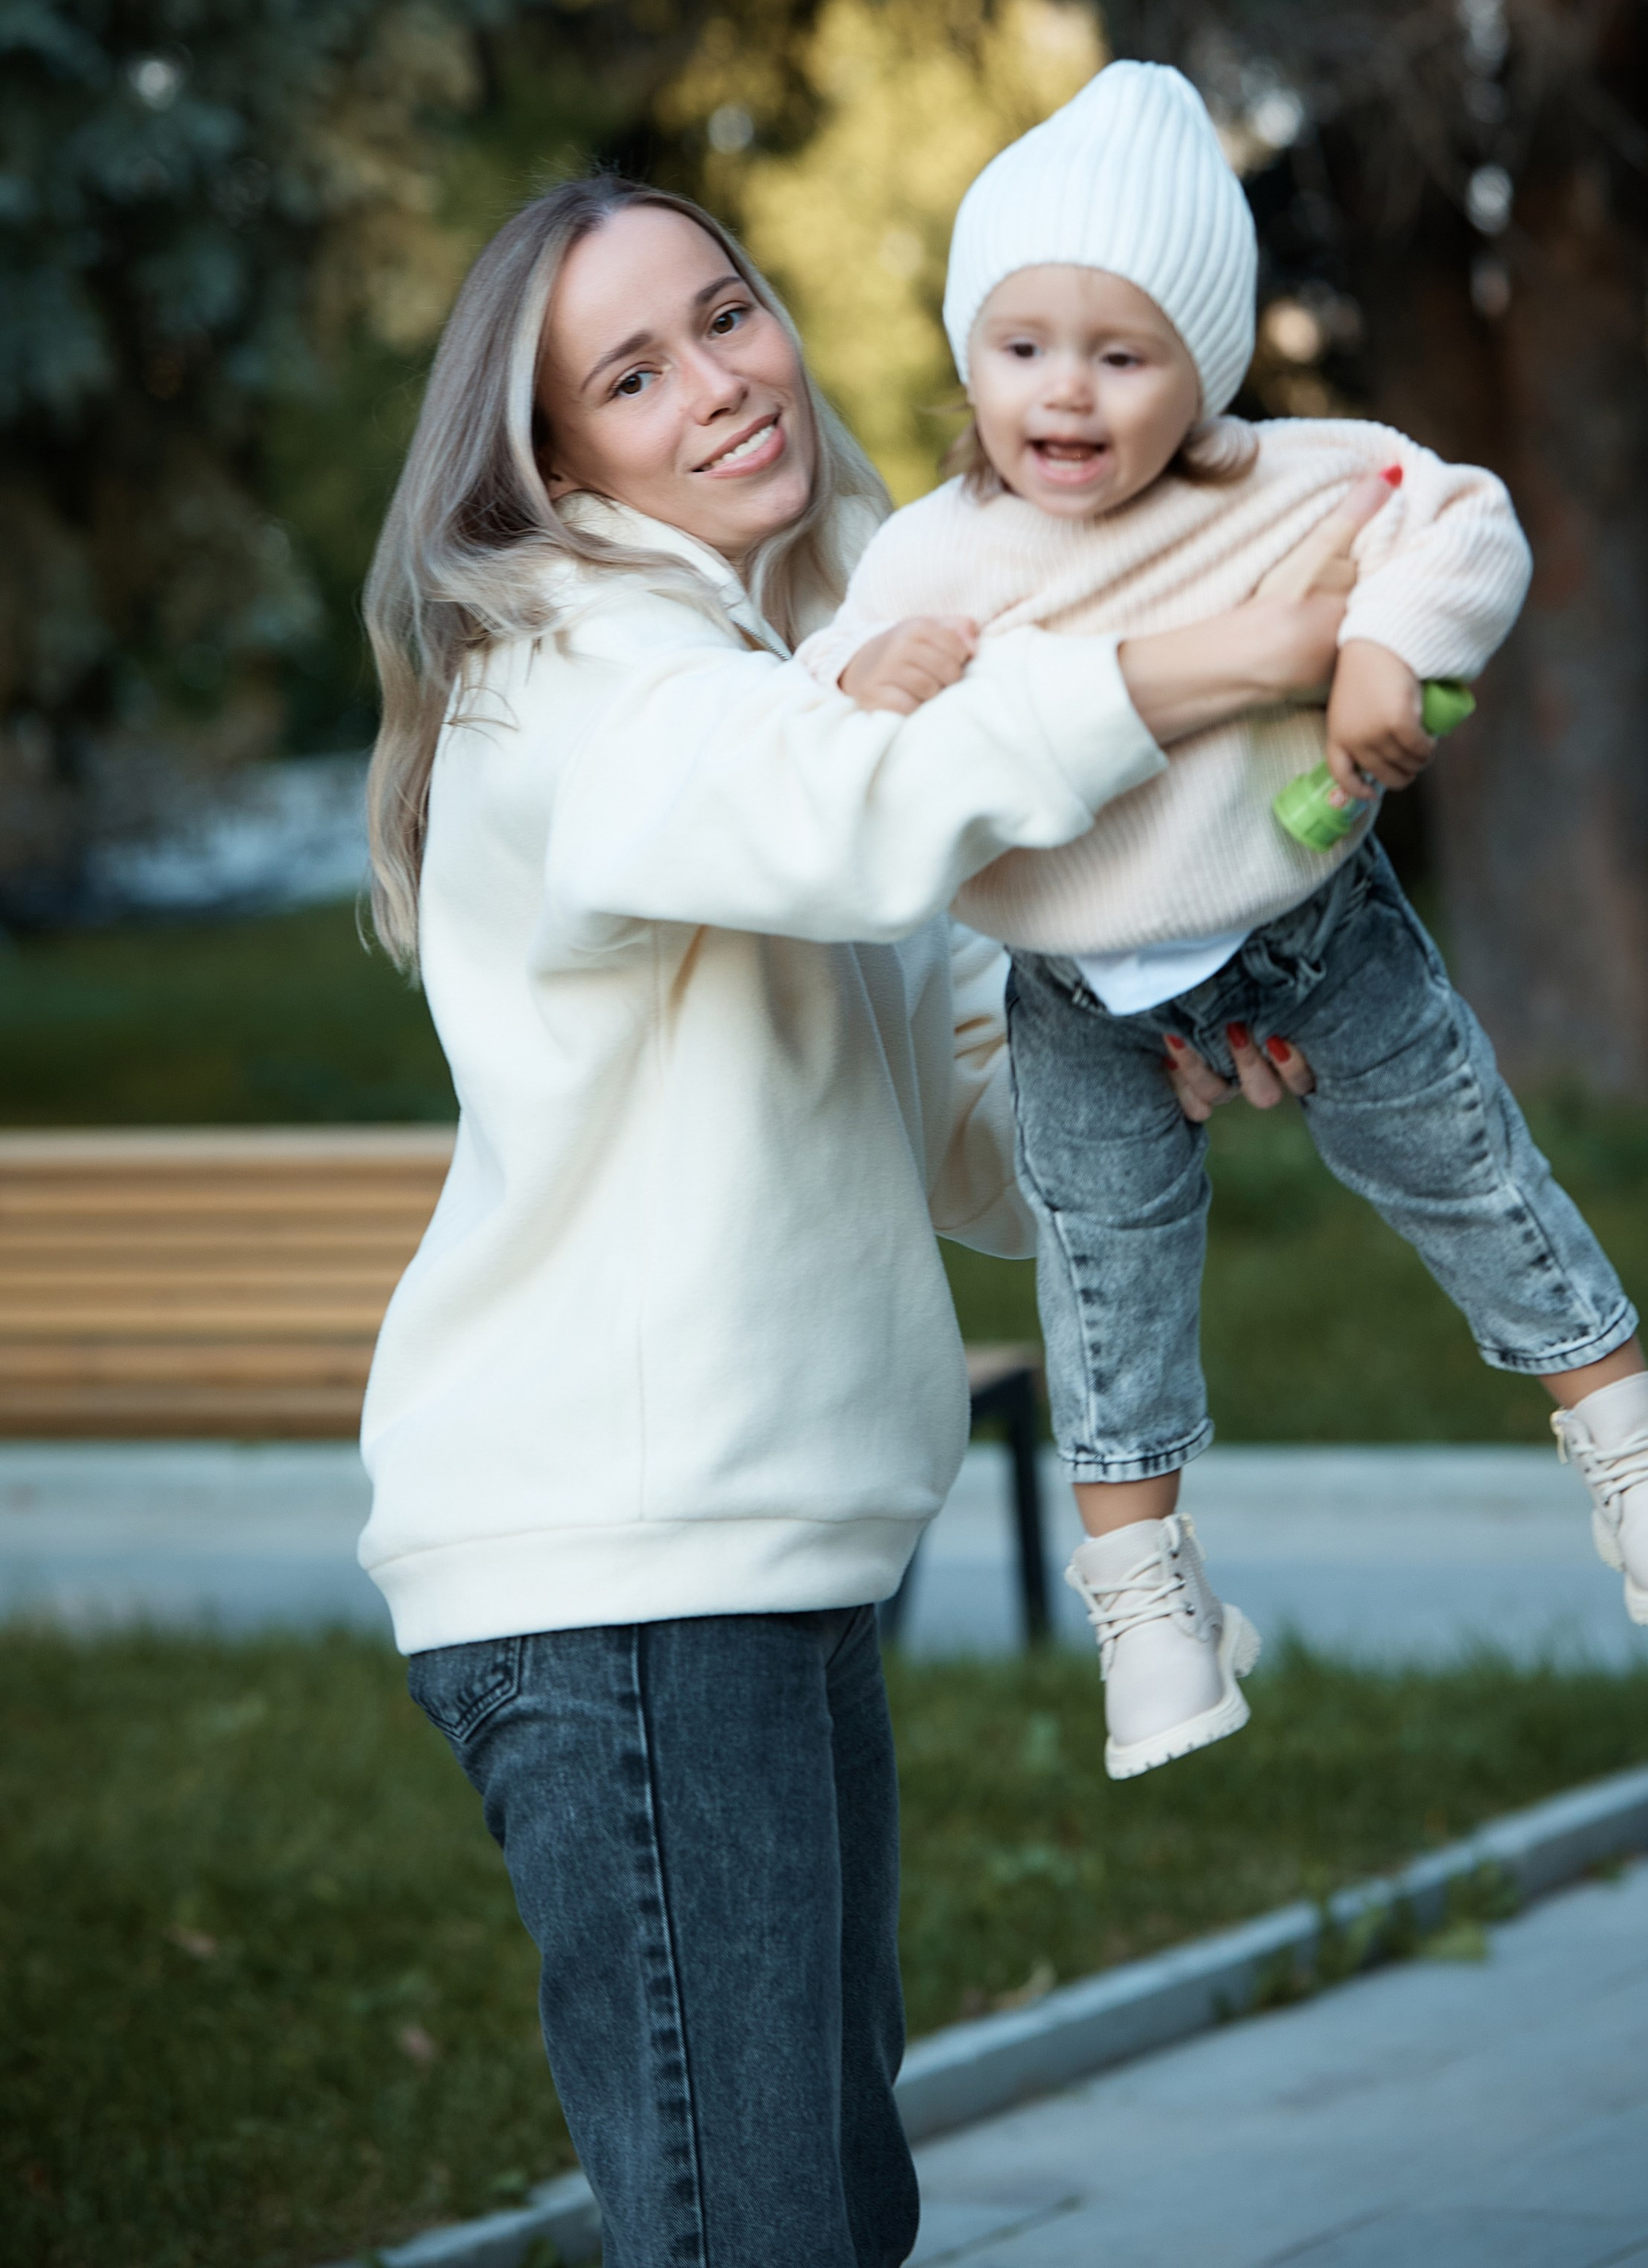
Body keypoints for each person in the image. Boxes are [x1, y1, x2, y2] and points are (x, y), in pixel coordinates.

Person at [355, 173, 1358, 2268]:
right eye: (632, 375)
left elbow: (969, 1141)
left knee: (827, 2206)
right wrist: (1189, 667)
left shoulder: (792, 665)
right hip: (618, 1562)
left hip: (772, 1542)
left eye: (723, 315)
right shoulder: (578, 675)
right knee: (759, 2229)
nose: (720, 382)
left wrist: (1144, 1064)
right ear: (557, 462)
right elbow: (831, 805)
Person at [800, 61, 1648, 1784]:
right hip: (1076, 990)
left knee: (1461, 1164)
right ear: (969, 356)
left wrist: (1389, 647)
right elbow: (821, 740)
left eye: (1123, 354)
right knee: (1109, 1280)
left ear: (1205, 371)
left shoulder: (1286, 482)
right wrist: (857, 675)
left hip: (1310, 918)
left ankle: (1641, 1465)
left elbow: (1456, 519)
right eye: (1022, 347)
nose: (1068, 396)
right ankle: (1151, 1618)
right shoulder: (933, 555)